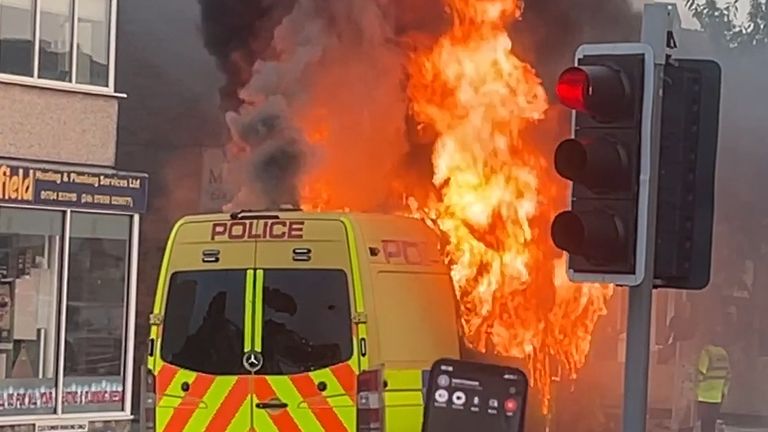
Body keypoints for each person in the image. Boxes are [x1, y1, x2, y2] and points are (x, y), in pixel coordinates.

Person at [695, 327, 730, 432]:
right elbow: (728, 375)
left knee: (705, 424)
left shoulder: (706, 352)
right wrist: (724, 391)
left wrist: (695, 387)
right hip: (717, 395)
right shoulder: (724, 354)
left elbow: (701, 371)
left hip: (704, 395)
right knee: (712, 423)